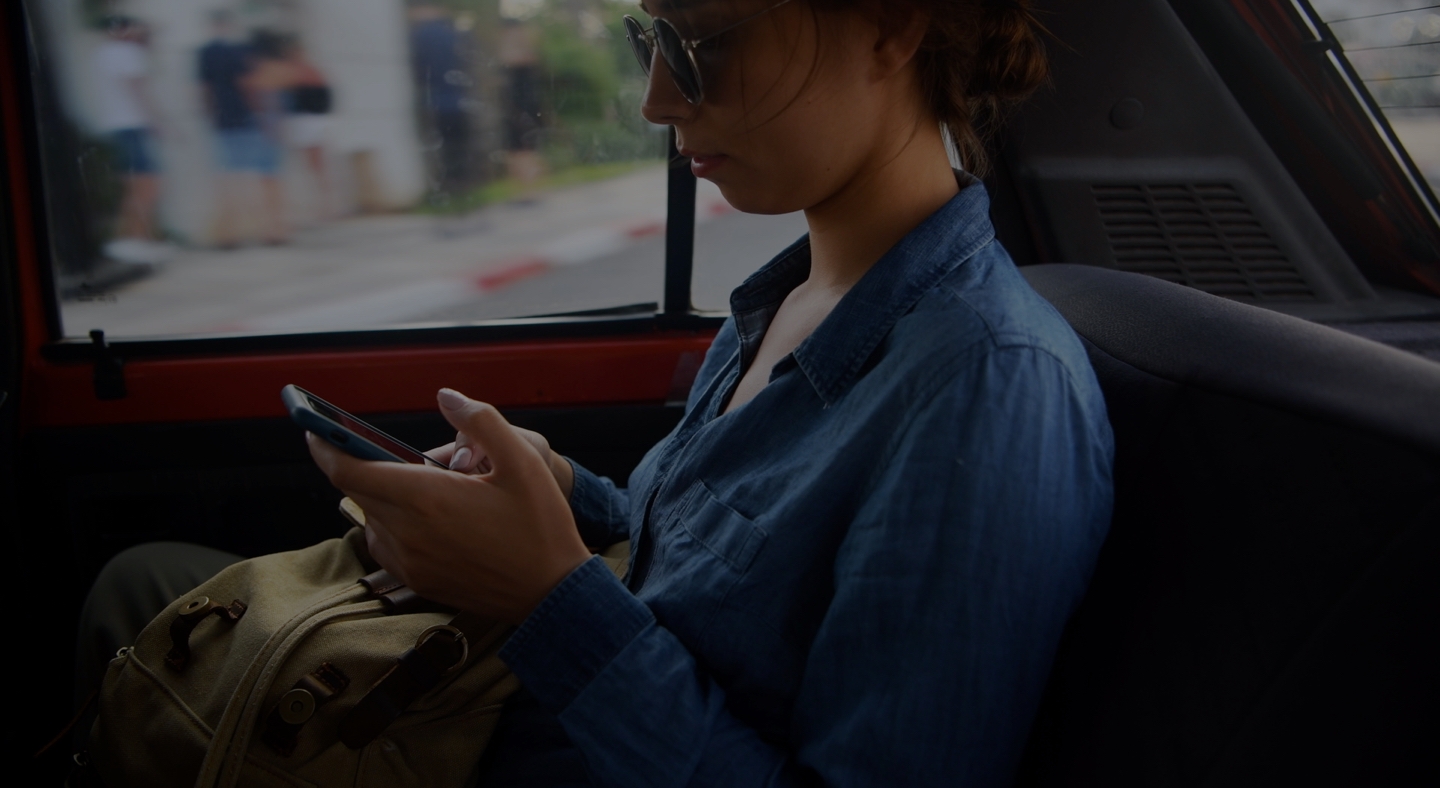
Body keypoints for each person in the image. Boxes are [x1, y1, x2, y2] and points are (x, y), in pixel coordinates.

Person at [78, 1, 1114, 784]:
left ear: (889, 29)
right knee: (145, 586)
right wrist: (564, 493)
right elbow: (699, 572)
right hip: (489, 712)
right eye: (648, 39)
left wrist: (544, 596)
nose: (659, 97)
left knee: (146, 619)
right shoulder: (792, 295)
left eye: (702, 41)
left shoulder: (987, 388)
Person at [196, 10, 284, 246]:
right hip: (249, 119)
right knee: (266, 175)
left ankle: (228, 233)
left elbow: (204, 89)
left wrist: (210, 116)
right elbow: (249, 85)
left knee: (229, 177)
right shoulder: (243, 50)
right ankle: (273, 230)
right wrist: (265, 119)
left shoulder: (205, 52)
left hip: (223, 121)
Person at [93, 16, 173, 265]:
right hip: (133, 125)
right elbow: (138, 91)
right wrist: (158, 123)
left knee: (135, 186)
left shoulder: (104, 53)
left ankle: (136, 240)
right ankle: (136, 240)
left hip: (118, 126)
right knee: (147, 185)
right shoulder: (127, 53)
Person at [281, 36, 334, 222]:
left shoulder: (305, 71)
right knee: (311, 166)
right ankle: (319, 206)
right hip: (305, 122)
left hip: (308, 122)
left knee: (316, 165)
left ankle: (325, 207)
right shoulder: (304, 71)